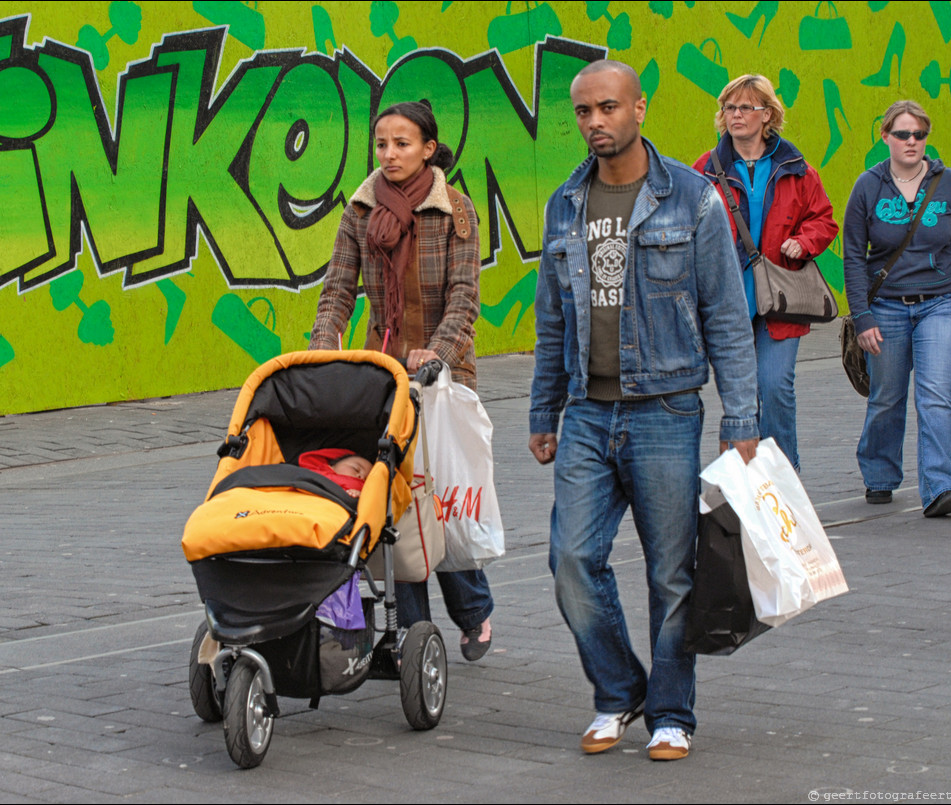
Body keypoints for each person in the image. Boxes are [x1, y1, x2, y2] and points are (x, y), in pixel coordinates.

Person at [528, 61, 759, 761]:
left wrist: (741, 417)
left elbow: (726, 314)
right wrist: (543, 410)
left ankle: (671, 711)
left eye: (607, 108)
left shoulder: (693, 200)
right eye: (583, 112)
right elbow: (550, 321)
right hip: (587, 414)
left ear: (639, 108)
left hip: (665, 410)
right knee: (570, 558)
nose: (595, 122)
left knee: (671, 572)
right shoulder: (565, 203)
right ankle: (618, 689)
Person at [309, 100, 494, 661]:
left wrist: (436, 354)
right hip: (381, 373)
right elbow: (338, 287)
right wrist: (323, 345)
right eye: (382, 144)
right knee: (393, 501)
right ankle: (414, 635)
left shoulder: (456, 212)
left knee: (432, 504)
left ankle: (472, 609)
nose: (389, 154)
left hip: (441, 378)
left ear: (428, 149)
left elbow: (464, 299)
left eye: (403, 143)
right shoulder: (359, 212)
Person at [693, 74, 838, 471]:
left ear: (768, 114)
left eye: (746, 108)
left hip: (781, 297)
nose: (736, 115)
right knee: (739, 396)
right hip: (727, 299)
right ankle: (743, 486)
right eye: (730, 108)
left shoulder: (796, 168)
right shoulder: (705, 169)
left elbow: (824, 220)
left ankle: (783, 481)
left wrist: (805, 242)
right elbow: (687, 225)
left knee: (775, 389)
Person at [843, 100, 951, 517]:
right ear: (885, 137)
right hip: (885, 308)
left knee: (936, 395)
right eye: (903, 134)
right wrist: (862, 317)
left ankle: (939, 486)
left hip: (942, 303)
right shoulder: (868, 186)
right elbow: (852, 256)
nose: (912, 142)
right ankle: (880, 474)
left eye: (919, 134)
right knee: (887, 396)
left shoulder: (949, 183)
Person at [299, 448, 373, 498]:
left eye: (366, 479)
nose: (361, 476)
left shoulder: (359, 491)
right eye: (356, 469)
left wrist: (360, 496)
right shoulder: (314, 471)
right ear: (332, 466)